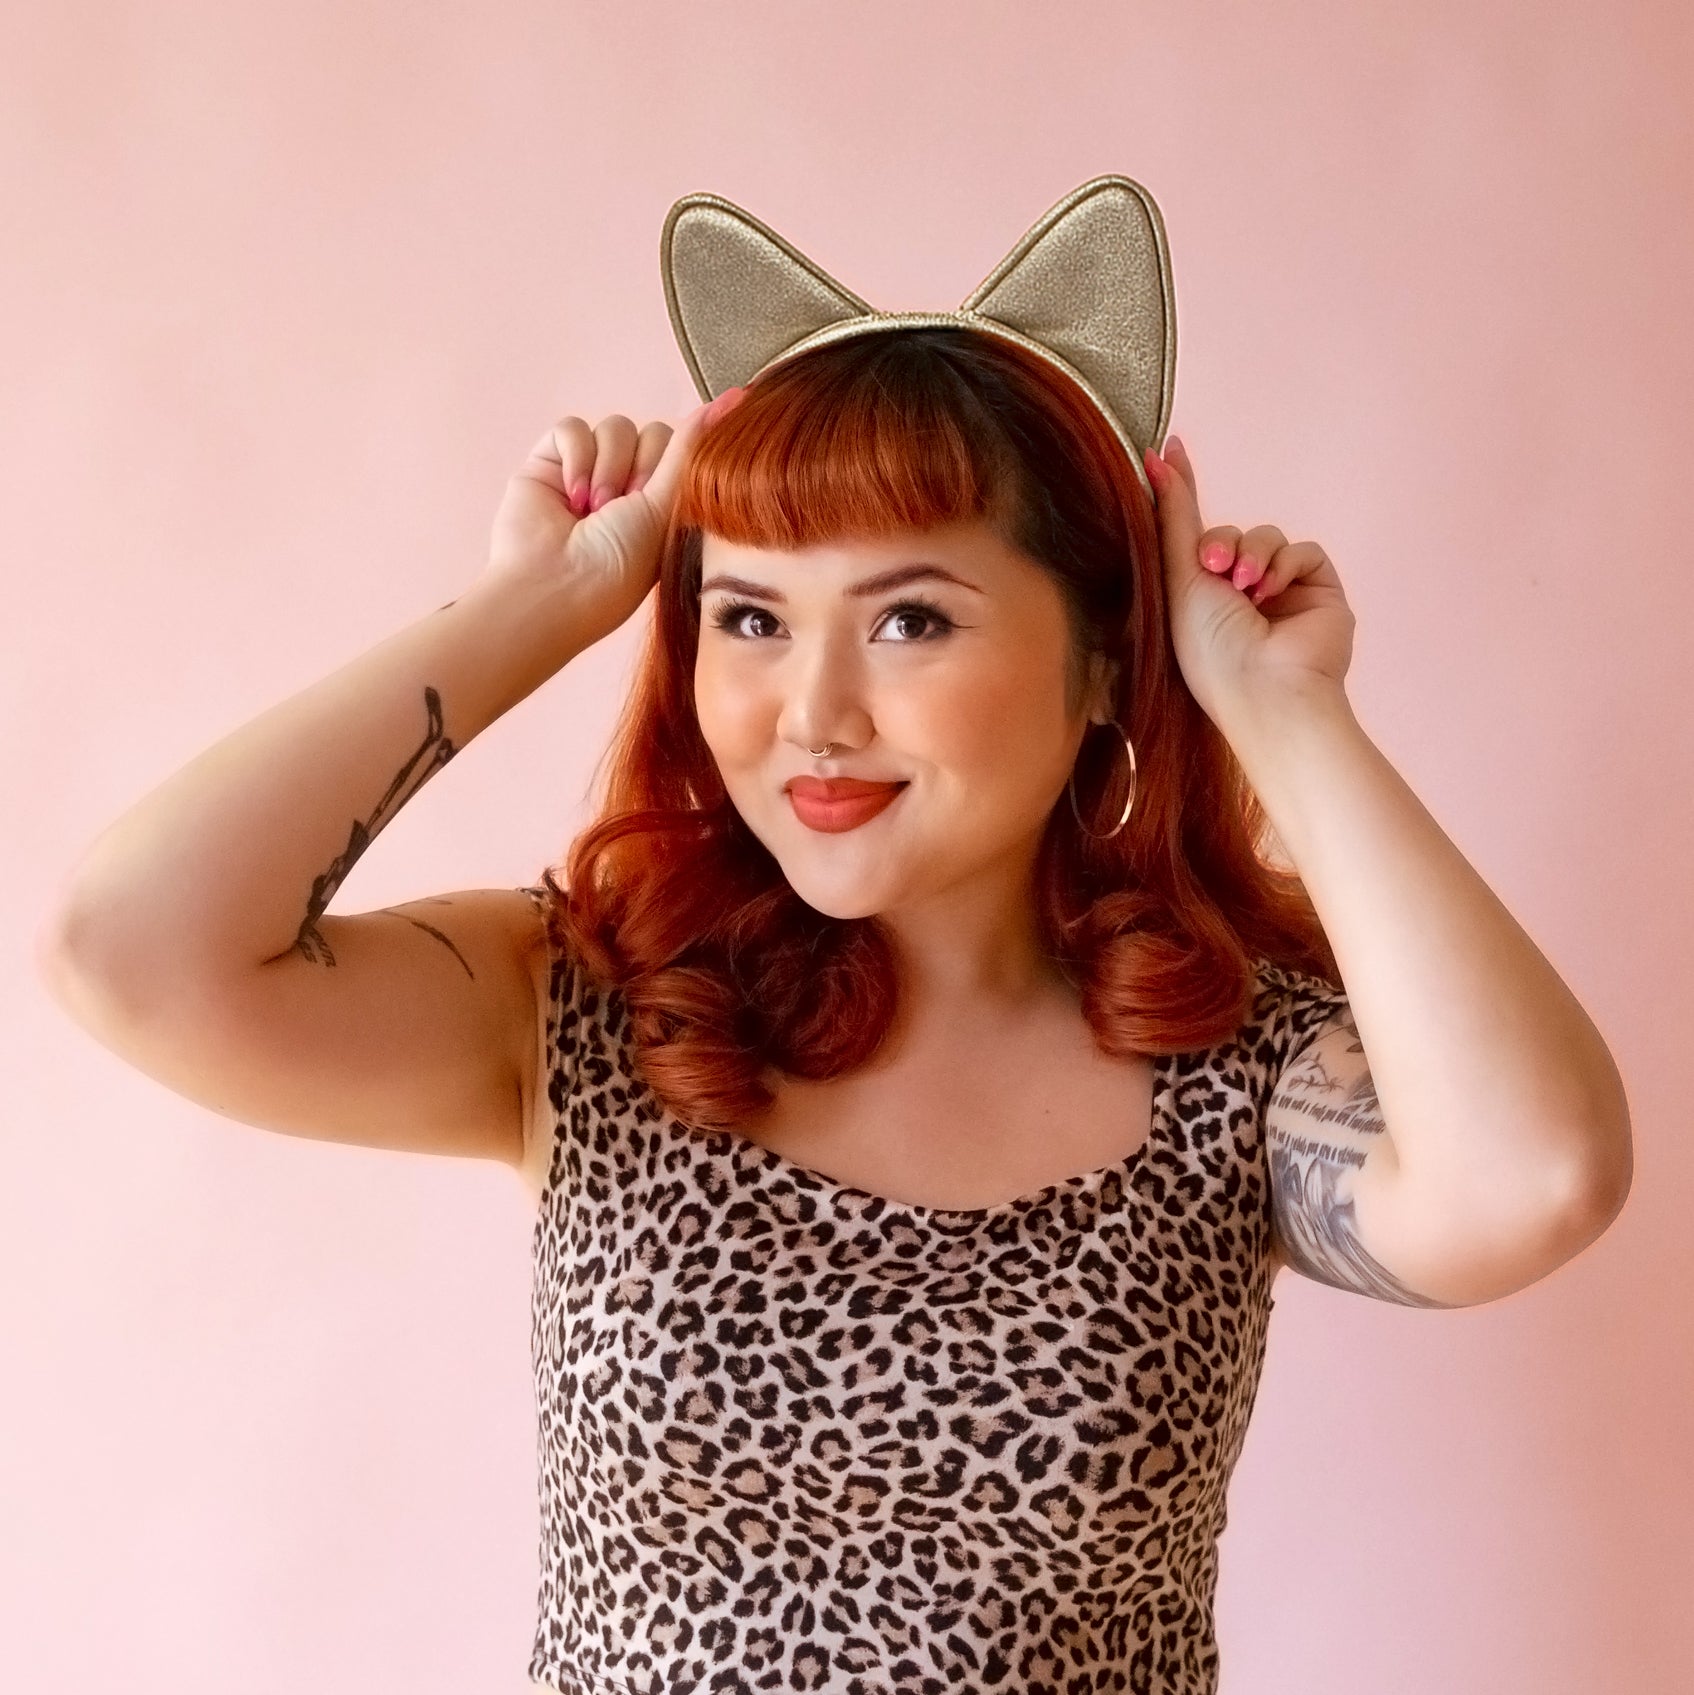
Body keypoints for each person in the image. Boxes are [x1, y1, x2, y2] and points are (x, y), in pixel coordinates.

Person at [41, 326, 1632, 1695]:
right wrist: (544, 601)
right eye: (748, 617)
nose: (808, 710)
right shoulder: (584, 1007)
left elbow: (1536, 1176)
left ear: (1099, 664)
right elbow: (128, 948)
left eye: (908, 619)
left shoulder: (1231, 1066)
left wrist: (1277, 711)